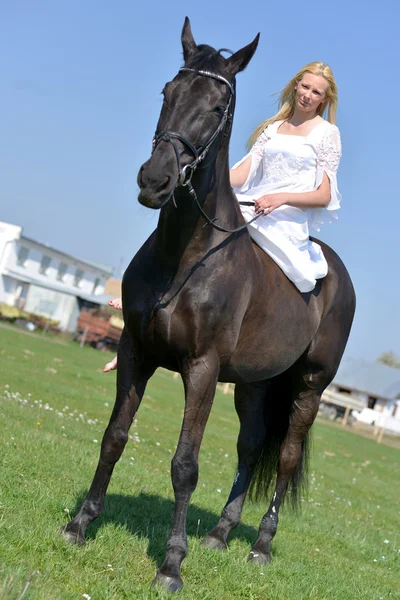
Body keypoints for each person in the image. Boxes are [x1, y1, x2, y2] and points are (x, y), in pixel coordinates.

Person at [104, 61, 342, 372]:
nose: (308, 95)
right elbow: (243, 173)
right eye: (305, 87)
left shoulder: (327, 133)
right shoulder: (273, 128)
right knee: (190, 225)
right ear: (296, 85)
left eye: (317, 92)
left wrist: (280, 197)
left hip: (285, 218)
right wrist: (203, 180)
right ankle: (149, 301)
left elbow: (324, 195)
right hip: (249, 205)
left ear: (324, 99)